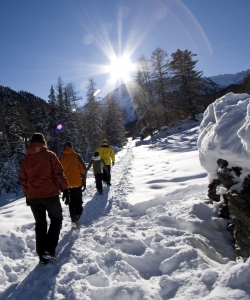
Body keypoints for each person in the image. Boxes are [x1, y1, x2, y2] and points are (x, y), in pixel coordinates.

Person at [20, 133, 69, 265]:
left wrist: (27, 195)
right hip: (50, 195)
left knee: (40, 225)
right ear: (42, 142)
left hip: (34, 197)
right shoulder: (49, 155)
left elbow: (24, 180)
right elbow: (58, 173)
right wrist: (65, 189)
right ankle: (49, 249)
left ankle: (42, 255)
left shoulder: (26, 159)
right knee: (56, 219)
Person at [60, 142, 86, 231]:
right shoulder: (76, 156)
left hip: (67, 185)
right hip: (77, 184)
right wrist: (84, 181)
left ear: (64, 148)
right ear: (71, 147)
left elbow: (59, 173)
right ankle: (77, 217)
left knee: (71, 203)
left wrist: (61, 186)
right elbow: (83, 169)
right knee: (78, 202)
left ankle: (73, 220)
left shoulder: (61, 158)